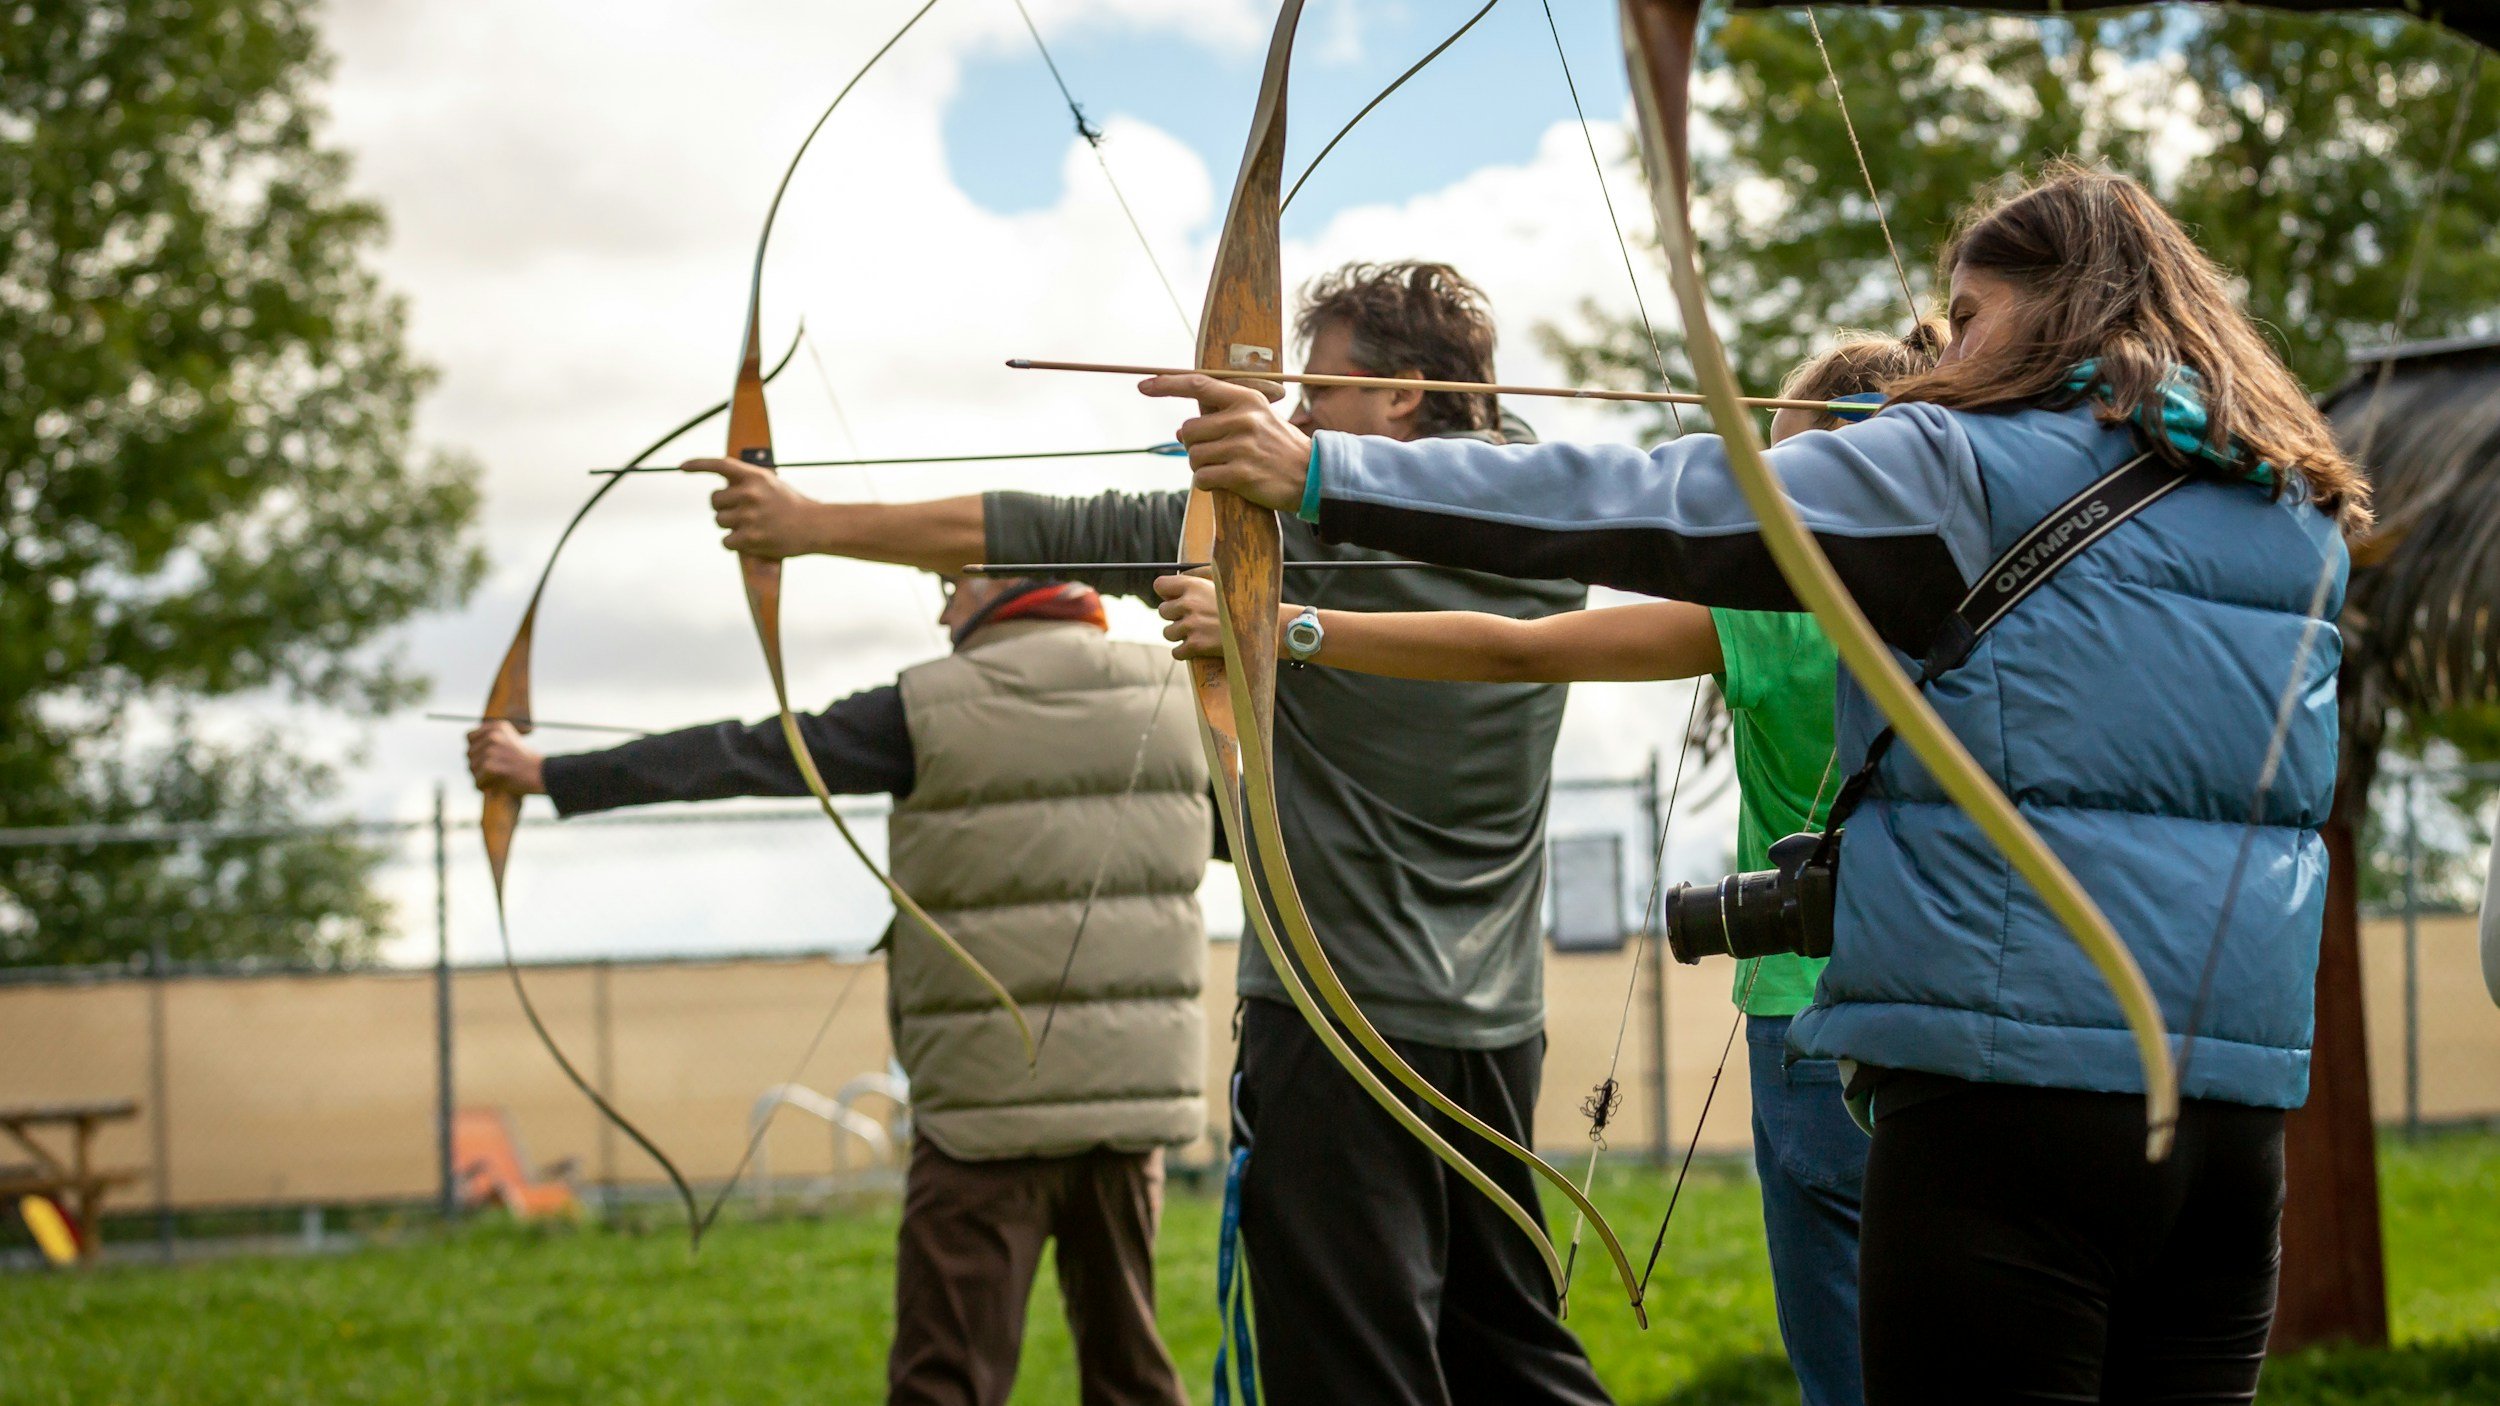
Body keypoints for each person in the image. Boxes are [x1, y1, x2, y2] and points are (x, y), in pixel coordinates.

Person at [1158, 165, 2364, 1405]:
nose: (1941, 349)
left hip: (2006, 1107)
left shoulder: (1954, 466)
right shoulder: (2290, 500)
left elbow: (1653, 495)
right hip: (2228, 1117)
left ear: (2052, 310)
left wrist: (1322, 471)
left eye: (1967, 316)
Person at [695, 261, 1616, 1406]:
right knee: (1510, 1348)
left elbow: (1055, 527)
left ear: (1404, 395)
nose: (1289, 417)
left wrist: (807, 523)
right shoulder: (1557, 521)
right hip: (1495, 1026)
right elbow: (1073, 526)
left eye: (1314, 391)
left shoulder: (1302, 545)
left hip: (1338, 1031)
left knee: (1351, 1366)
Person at [1155, 327, 1941, 1406]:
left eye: (1788, 470)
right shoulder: (2001, 595)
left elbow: (1513, 652)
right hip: (1969, 1017)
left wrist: (1282, 625)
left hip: (1813, 1021)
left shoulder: (1779, 610)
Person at [467, 574, 1207, 1406]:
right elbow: (1250, 837)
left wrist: (547, 773)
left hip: (984, 1111)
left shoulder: (928, 706)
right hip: (1130, 1109)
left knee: (945, 1381)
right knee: (1131, 1374)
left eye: (953, 585)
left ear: (1008, 577)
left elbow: (746, 753)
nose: (942, 609)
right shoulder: (1178, 695)